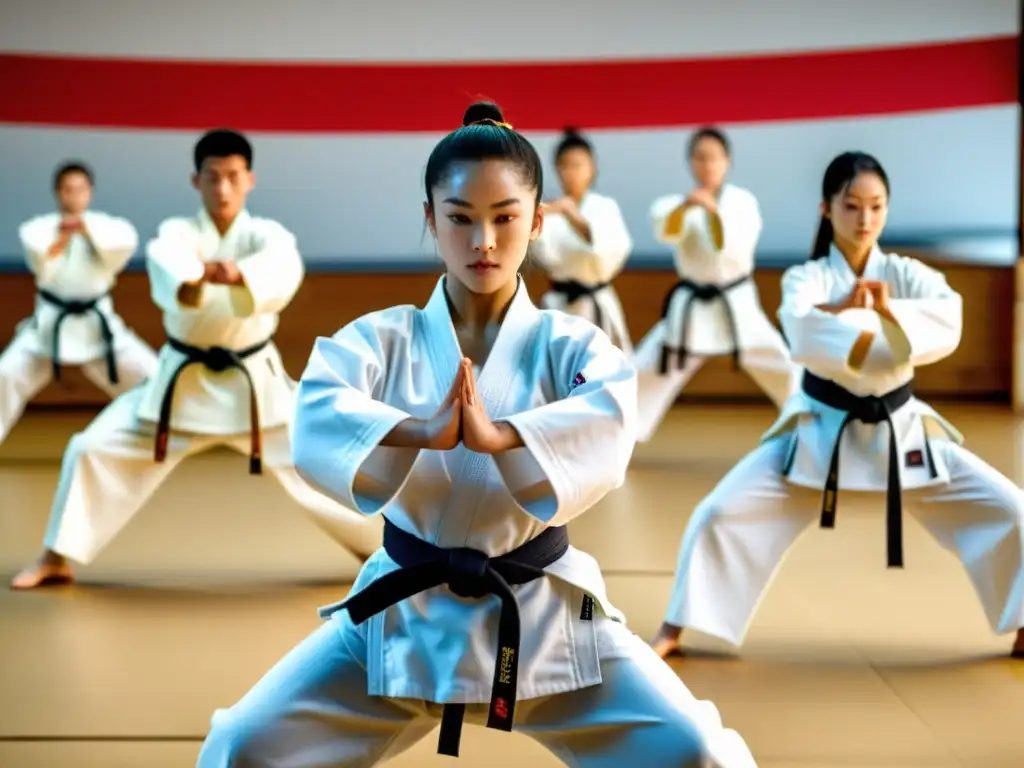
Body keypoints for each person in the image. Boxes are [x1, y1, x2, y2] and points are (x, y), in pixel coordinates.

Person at [195, 103, 757, 768]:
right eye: (460, 217)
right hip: (401, 614)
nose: (483, 240)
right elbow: (318, 410)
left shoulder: (567, 343)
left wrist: (504, 437)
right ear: (431, 219)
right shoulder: (384, 339)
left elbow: (607, 421)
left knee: (694, 750)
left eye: (505, 217)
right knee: (241, 747)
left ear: (538, 220)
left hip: (543, 615)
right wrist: (419, 430)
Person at [650, 151, 1024, 661]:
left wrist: (886, 311)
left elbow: (947, 317)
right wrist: (852, 312)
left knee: (1011, 509)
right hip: (818, 433)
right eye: (852, 206)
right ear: (827, 209)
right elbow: (803, 330)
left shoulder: (906, 274)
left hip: (900, 431)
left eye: (876, 206)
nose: (865, 219)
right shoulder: (805, 279)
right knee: (717, 512)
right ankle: (677, 623)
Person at [10, 129, 382, 590]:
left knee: (328, 462)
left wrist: (235, 274)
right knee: (90, 449)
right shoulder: (176, 234)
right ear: (196, 181)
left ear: (249, 180)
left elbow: (280, 269)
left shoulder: (269, 236)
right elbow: (174, 274)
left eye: (232, 176)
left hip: (255, 389)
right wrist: (206, 276)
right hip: (180, 390)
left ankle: (390, 554)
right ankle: (56, 557)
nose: (222, 188)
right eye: (212, 177)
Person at [632, 127, 800, 442]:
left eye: (714, 157)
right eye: (700, 157)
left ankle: (808, 425)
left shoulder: (742, 203)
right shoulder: (677, 204)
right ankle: (620, 434)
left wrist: (711, 210)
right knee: (644, 368)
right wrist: (687, 207)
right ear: (691, 163)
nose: (707, 164)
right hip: (691, 308)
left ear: (727, 162)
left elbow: (734, 245)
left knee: (784, 365)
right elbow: (666, 231)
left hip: (736, 304)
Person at [0, 161, 158, 449]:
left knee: (154, 376)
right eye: (67, 190)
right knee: (5, 374)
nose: (73, 196)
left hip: (98, 327)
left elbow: (119, 250)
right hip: (48, 327)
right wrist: (63, 236)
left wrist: (87, 232)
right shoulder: (38, 228)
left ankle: (153, 443)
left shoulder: (107, 227)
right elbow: (40, 260)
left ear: (90, 193)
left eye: (80, 189)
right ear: (58, 193)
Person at [532, 128, 634, 353]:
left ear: (592, 168)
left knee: (604, 371)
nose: (572, 172)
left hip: (597, 303)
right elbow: (542, 256)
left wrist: (574, 217)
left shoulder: (605, 208)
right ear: (557, 169)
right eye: (565, 165)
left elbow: (608, 250)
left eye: (578, 165)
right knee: (560, 375)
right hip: (560, 305)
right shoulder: (547, 212)